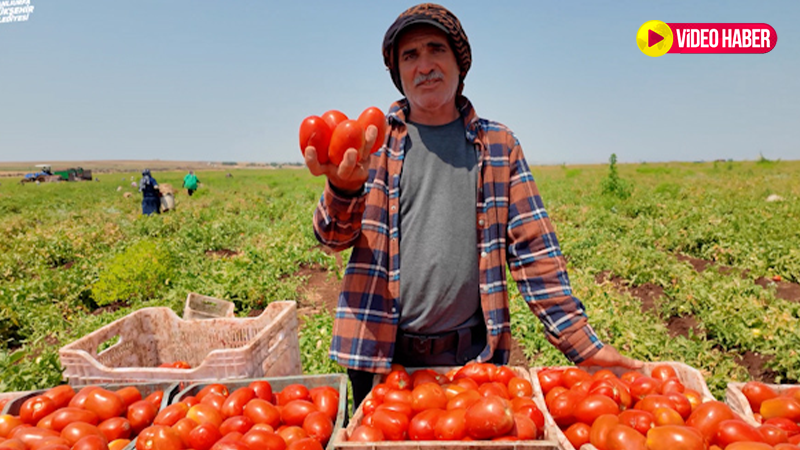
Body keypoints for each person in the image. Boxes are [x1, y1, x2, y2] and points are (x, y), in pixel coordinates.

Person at [304, 3, 642, 408]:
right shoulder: (369, 143)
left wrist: (581, 343)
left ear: (460, 64)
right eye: (410, 56)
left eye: (436, 50)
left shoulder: (499, 147)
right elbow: (331, 237)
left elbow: (535, 252)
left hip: (469, 363)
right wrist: (342, 189)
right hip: (378, 359)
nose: (424, 65)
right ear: (397, 72)